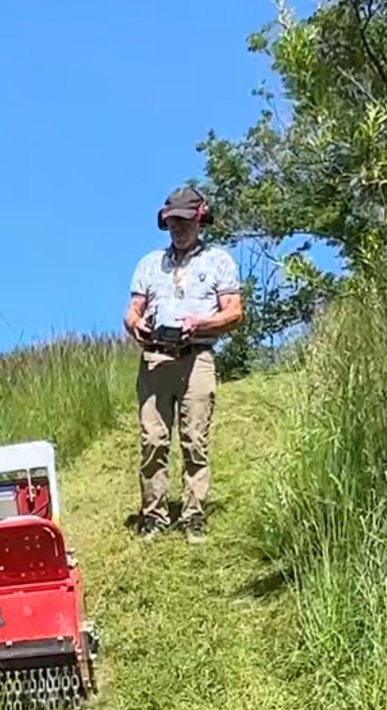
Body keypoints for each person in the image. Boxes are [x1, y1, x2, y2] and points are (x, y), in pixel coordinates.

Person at [123, 186, 243, 544]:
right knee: (153, 440)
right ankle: (154, 515)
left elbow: (234, 312)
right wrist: (136, 325)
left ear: (198, 220)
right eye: (172, 221)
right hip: (155, 358)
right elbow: (132, 311)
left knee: (194, 440)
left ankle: (193, 515)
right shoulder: (149, 263)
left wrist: (200, 324)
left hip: (197, 357)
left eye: (184, 221)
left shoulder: (218, 260)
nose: (178, 228)